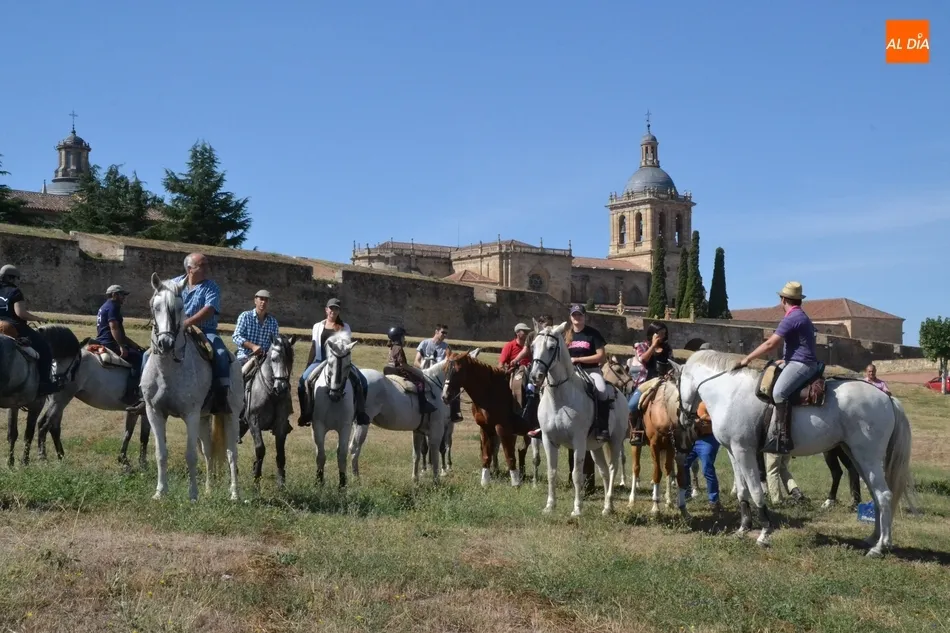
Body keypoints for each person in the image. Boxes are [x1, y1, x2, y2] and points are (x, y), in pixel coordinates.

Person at [734, 281, 819, 455]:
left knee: (779, 393)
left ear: (783, 299)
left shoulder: (792, 317)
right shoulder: (800, 315)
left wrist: (747, 359)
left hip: (802, 364)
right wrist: (785, 360)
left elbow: (770, 344)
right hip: (798, 361)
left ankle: (783, 438)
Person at [140, 253, 232, 412]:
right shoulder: (173, 284)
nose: (207, 268)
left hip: (205, 329)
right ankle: (143, 396)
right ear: (190, 269)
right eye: (202, 265)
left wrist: (188, 322)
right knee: (147, 355)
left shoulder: (211, 287)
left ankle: (221, 397)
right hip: (176, 330)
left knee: (221, 354)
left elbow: (210, 309)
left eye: (206, 265)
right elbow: (159, 300)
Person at [297, 298, 369, 427]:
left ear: (339, 311)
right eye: (331, 308)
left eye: (336, 309)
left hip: (340, 362)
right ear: (326, 310)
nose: (333, 311)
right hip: (320, 360)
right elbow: (314, 346)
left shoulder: (345, 327)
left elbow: (346, 347)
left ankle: (360, 413)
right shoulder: (317, 326)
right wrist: (308, 366)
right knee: (302, 383)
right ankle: (305, 414)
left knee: (362, 382)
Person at [0, 264, 60, 395]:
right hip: (13, 327)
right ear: (11, 278)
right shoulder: (15, 291)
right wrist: (38, 318)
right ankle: (44, 383)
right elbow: (21, 313)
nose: (17, 281)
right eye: (16, 279)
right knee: (45, 348)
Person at [565, 304, 611, 441]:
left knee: (602, 391)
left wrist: (578, 359)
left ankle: (602, 428)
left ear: (584, 316)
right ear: (570, 317)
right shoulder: (566, 335)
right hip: (571, 372)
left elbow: (601, 356)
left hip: (591, 371)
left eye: (579, 314)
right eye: (574, 314)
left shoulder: (593, 334)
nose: (577, 317)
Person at [95, 284, 144, 406]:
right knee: (138, 358)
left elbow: (119, 333)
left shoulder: (104, 306)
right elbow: (114, 328)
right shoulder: (113, 306)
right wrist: (121, 346)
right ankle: (130, 394)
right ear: (114, 295)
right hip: (110, 343)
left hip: (102, 341)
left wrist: (133, 344)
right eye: (122, 295)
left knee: (138, 351)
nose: (124, 297)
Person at [626, 322, 673, 446]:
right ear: (652, 333)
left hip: (664, 381)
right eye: (660, 333)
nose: (662, 336)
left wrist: (669, 372)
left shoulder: (667, 348)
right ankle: (636, 430)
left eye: (664, 333)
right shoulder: (641, 346)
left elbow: (671, 363)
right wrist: (653, 346)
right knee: (631, 405)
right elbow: (643, 359)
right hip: (646, 382)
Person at [416, 324, 462, 421]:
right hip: (424, 373)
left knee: (455, 386)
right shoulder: (424, 343)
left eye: (446, 333)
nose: (444, 335)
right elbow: (416, 361)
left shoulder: (447, 348)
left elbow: (447, 365)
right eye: (443, 332)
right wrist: (425, 369)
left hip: (439, 376)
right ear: (436, 332)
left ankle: (455, 412)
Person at [385, 325, 436, 414]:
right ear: (398, 338)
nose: (404, 339)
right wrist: (414, 370)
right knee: (420, 382)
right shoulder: (399, 348)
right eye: (403, 337)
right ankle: (423, 405)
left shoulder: (391, 347)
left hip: (390, 369)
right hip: (399, 371)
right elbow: (403, 364)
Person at [232, 289, 280, 366]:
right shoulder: (245, 316)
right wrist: (252, 346)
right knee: (237, 372)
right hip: (245, 357)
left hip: (265, 360)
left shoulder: (273, 322)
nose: (263, 302)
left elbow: (275, 343)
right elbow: (236, 336)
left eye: (266, 300)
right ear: (255, 301)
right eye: (261, 299)